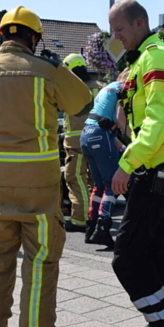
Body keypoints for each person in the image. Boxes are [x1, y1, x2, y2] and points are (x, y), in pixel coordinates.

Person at [0, 6, 92, 327]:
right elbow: (83, 101)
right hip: (39, 184)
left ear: (1, 36)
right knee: (40, 261)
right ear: (34, 38)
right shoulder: (47, 71)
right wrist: (57, 66)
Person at [106, 0, 164, 327]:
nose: (116, 38)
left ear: (139, 23)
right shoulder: (147, 58)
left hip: (159, 164)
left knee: (126, 254)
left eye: (120, 30)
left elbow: (156, 123)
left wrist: (126, 164)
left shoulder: (155, 57)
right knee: (154, 245)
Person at [81, 75, 127, 247]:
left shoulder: (108, 87)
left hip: (86, 133)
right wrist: (128, 140)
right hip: (101, 135)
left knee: (98, 184)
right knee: (112, 184)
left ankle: (91, 227)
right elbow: (119, 117)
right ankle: (103, 228)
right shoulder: (123, 88)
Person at [61, 54, 102, 233]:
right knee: (95, 180)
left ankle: (80, 219)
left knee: (76, 178)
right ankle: (97, 216)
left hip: (76, 142)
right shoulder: (100, 88)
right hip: (98, 140)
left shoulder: (70, 89)